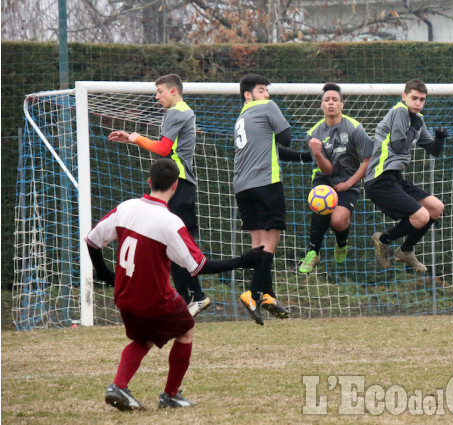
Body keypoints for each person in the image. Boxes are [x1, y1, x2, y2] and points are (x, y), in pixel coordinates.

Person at [85, 159, 265, 411]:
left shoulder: (126, 208)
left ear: (149, 182)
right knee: (186, 329)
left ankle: (118, 386)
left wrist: (106, 275)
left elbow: (92, 241)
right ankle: (170, 395)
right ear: (176, 186)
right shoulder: (170, 223)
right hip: (154, 298)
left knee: (143, 339)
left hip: (124, 295)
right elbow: (198, 266)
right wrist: (242, 260)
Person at [108, 74, 211, 318]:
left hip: (179, 185)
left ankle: (197, 296)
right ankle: (186, 300)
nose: (157, 97)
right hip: (178, 185)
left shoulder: (177, 112)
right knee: (169, 243)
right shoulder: (181, 111)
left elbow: (164, 148)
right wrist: (133, 140)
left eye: (160, 91)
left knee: (179, 243)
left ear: (173, 91)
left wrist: (137, 138)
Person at [364, 79, 448, 272]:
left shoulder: (417, 119)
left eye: (422, 99)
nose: (418, 103)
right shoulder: (400, 111)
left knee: (436, 208)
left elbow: (433, 150)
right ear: (404, 97)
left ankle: (406, 250)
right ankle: (383, 240)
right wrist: (415, 126)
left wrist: (440, 138)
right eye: (414, 98)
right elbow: (398, 146)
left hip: (395, 178)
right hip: (379, 179)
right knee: (421, 216)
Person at [233, 74, 292, 325]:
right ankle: (253, 294)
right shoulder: (268, 107)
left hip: (242, 186)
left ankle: (268, 296)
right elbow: (285, 138)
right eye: (260, 90)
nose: (266, 94)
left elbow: (270, 146)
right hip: (265, 182)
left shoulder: (241, 117)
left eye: (266, 90)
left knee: (257, 244)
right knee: (271, 239)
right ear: (248, 94)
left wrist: (305, 157)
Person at [296, 82, 373, 273]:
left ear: (342, 104)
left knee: (338, 221)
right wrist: (318, 153)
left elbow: (368, 161)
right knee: (321, 203)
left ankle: (341, 243)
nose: (331, 103)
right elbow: (327, 170)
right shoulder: (313, 133)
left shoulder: (355, 128)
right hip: (324, 178)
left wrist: (349, 183)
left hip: (349, 179)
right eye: (326, 100)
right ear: (321, 105)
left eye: (335, 100)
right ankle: (313, 253)